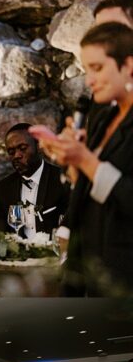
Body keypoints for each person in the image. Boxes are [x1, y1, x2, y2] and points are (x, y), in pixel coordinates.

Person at [34, 24, 133, 295]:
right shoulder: (104, 118)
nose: (89, 80)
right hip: (87, 263)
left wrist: (86, 160)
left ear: (128, 65)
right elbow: (90, 187)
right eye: (87, 69)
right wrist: (69, 159)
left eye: (97, 68)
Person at [0, 123, 70, 237]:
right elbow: (1, 233)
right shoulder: (4, 187)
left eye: (23, 148)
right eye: (11, 152)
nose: (17, 155)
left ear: (38, 145)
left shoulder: (62, 179)